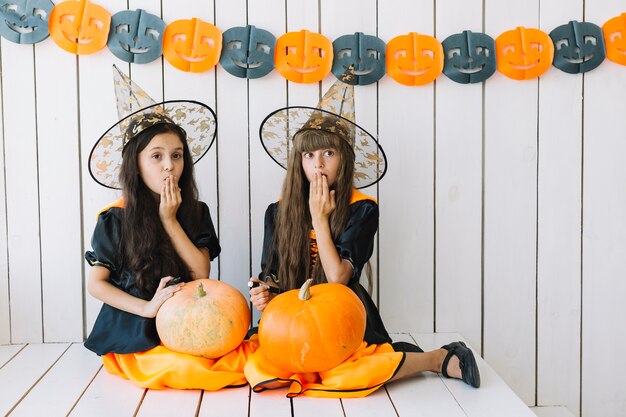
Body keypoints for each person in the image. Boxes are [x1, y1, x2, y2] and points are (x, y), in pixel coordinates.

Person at [245, 70, 480, 397]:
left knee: (348, 372)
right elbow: (270, 275)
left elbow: (339, 277)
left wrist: (320, 219)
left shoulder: (362, 208)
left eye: (329, 153)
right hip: (294, 319)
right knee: (256, 366)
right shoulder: (278, 210)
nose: (318, 165)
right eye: (309, 155)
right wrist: (264, 294)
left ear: (345, 158)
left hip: (344, 316)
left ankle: (436, 359)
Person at [84, 65, 256, 390]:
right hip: (136, 323)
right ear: (135, 163)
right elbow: (97, 285)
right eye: (157, 156)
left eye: (176, 155)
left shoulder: (195, 212)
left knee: (240, 359)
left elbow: (200, 273)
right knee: (185, 368)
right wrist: (148, 308)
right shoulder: (114, 218)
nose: (169, 166)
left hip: (188, 316)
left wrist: (169, 219)